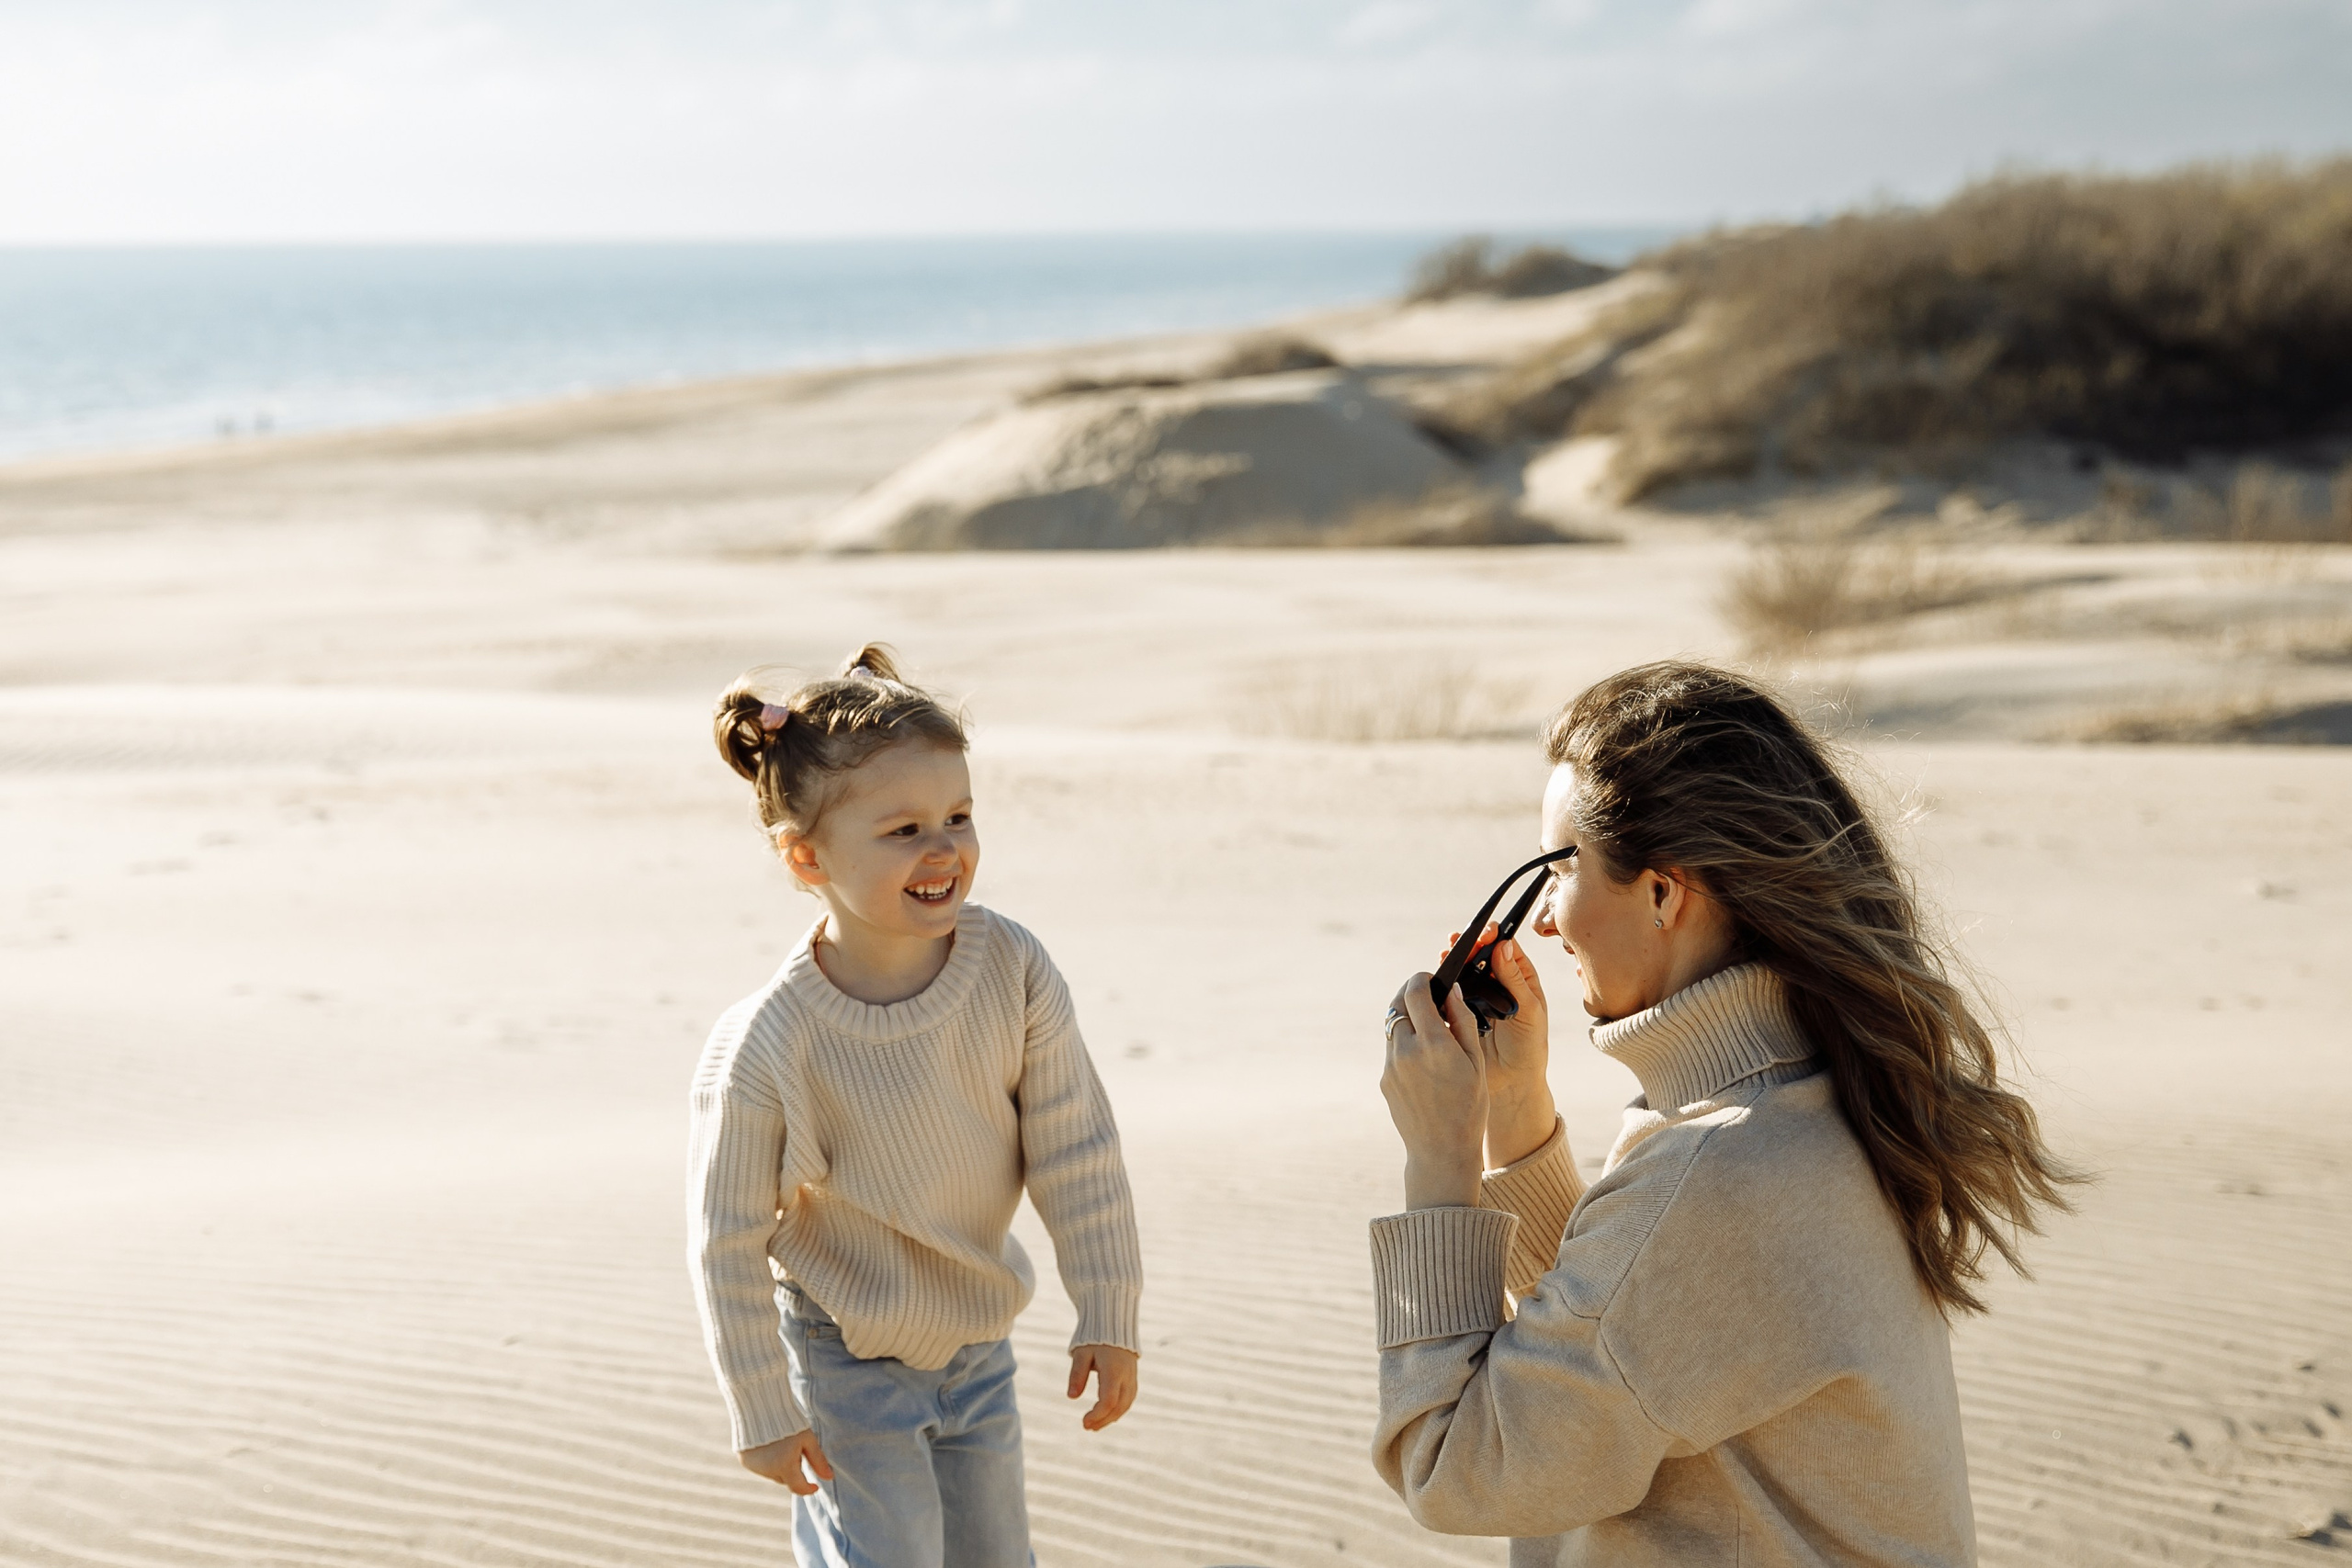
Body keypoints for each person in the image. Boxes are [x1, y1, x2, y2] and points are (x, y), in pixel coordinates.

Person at [1372, 661, 2076, 1566]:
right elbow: (1627, 1340)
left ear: (1663, 893)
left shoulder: (1720, 1171)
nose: (1542, 922)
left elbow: (1458, 1467)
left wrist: (1437, 1168)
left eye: (1559, 870)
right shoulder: (1802, 1102)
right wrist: (1513, 1115)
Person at [688, 644, 1142, 1568]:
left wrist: (1108, 1308)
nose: (944, 850)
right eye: (902, 831)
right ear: (805, 856)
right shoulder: (768, 1040)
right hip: (845, 1362)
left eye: (960, 816)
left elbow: (1077, 1149)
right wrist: (764, 1409)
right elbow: (725, 1238)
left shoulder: (1011, 969)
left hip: (978, 1351)